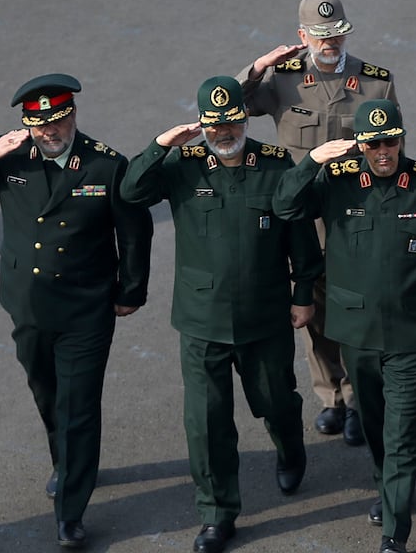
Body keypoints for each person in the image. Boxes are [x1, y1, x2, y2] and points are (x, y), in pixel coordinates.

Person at [0, 74, 152, 549]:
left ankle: (70, 513)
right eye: (38, 125)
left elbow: (134, 233)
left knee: (78, 407)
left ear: (72, 115)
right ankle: (65, 460)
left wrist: (131, 290)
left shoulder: (105, 165)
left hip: (85, 308)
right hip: (28, 305)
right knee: (46, 392)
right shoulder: (11, 158)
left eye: (56, 121)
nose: (48, 132)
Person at [119, 77, 323, 553]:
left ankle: (290, 450)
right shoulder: (182, 165)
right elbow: (131, 191)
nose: (223, 132)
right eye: (213, 125)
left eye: (231, 122)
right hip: (201, 319)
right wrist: (160, 145)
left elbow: (298, 231)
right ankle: (216, 513)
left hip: (264, 314)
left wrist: (303, 293)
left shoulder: (274, 164)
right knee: (207, 422)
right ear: (202, 124)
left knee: (276, 401)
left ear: (244, 119)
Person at [274, 99, 416, 553]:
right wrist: (312, 161)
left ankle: (394, 534)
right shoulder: (336, 180)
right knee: (375, 422)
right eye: (373, 144)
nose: (383, 152)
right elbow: (285, 206)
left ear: (402, 140)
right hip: (356, 332)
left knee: (402, 430)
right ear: (360, 145)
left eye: (391, 142)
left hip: (410, 331)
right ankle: (388, 482)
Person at [236, 0, 399, 446]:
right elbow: (232, 104)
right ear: (302, 35)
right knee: (312, 307)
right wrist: (258, 66)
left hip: (355, 215)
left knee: (357, 306)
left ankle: (359, 396)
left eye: (337, 34)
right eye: (321, 35)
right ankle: (333, 397)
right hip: (301, 217)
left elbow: (390, 150)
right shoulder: (283, 80)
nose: (330, 43)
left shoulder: (375, 83)